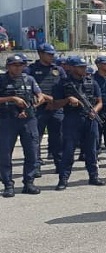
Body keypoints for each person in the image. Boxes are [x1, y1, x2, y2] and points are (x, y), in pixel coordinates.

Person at [52, 56, 106, 190]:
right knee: (68, 150)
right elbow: (55, 103)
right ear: (71, 68)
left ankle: (94, 176)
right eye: (80, 67)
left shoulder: (91, 82)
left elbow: (99, 101)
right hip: (72, 118)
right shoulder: (62, 83)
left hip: (90, 118)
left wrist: (95, 111)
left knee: (92, 150)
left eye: (84, 67)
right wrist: (68, 100)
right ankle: (63, 179)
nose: (83, 69)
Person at [0, 53, 43, 197]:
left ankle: (29, 182)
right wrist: (12, 98)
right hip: (8, 120)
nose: (18, 68)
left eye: (21, 65)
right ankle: (8, 184)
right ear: (8, 66)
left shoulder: (29, 79)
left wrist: (39, 99)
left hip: (28, 120)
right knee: (5, 154)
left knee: (32, 151)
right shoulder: (1, 80)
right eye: (15, 65)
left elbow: (39, 94)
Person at [26, 43, 66, 178]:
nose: (52, 56)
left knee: (58, 138)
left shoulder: (58, 70)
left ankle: (60, 164)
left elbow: (66, 88)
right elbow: (27, 89)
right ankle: (35, 166)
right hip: (38, 109)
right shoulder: (30, 70)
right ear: (40, 54)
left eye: (53, 54)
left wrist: (54, 102)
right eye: (49, 54)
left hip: (56, 108)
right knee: (35, 139)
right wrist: (49, 99)